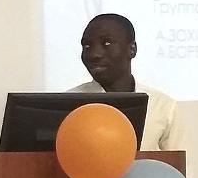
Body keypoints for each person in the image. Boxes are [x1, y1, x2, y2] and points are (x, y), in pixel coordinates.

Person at [70, 13, 185, 151]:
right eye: (87, 45)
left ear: (132, 49)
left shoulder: (163, 106)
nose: (95, 54)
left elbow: (179, 163)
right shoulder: (68, 105)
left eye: (107, 43)